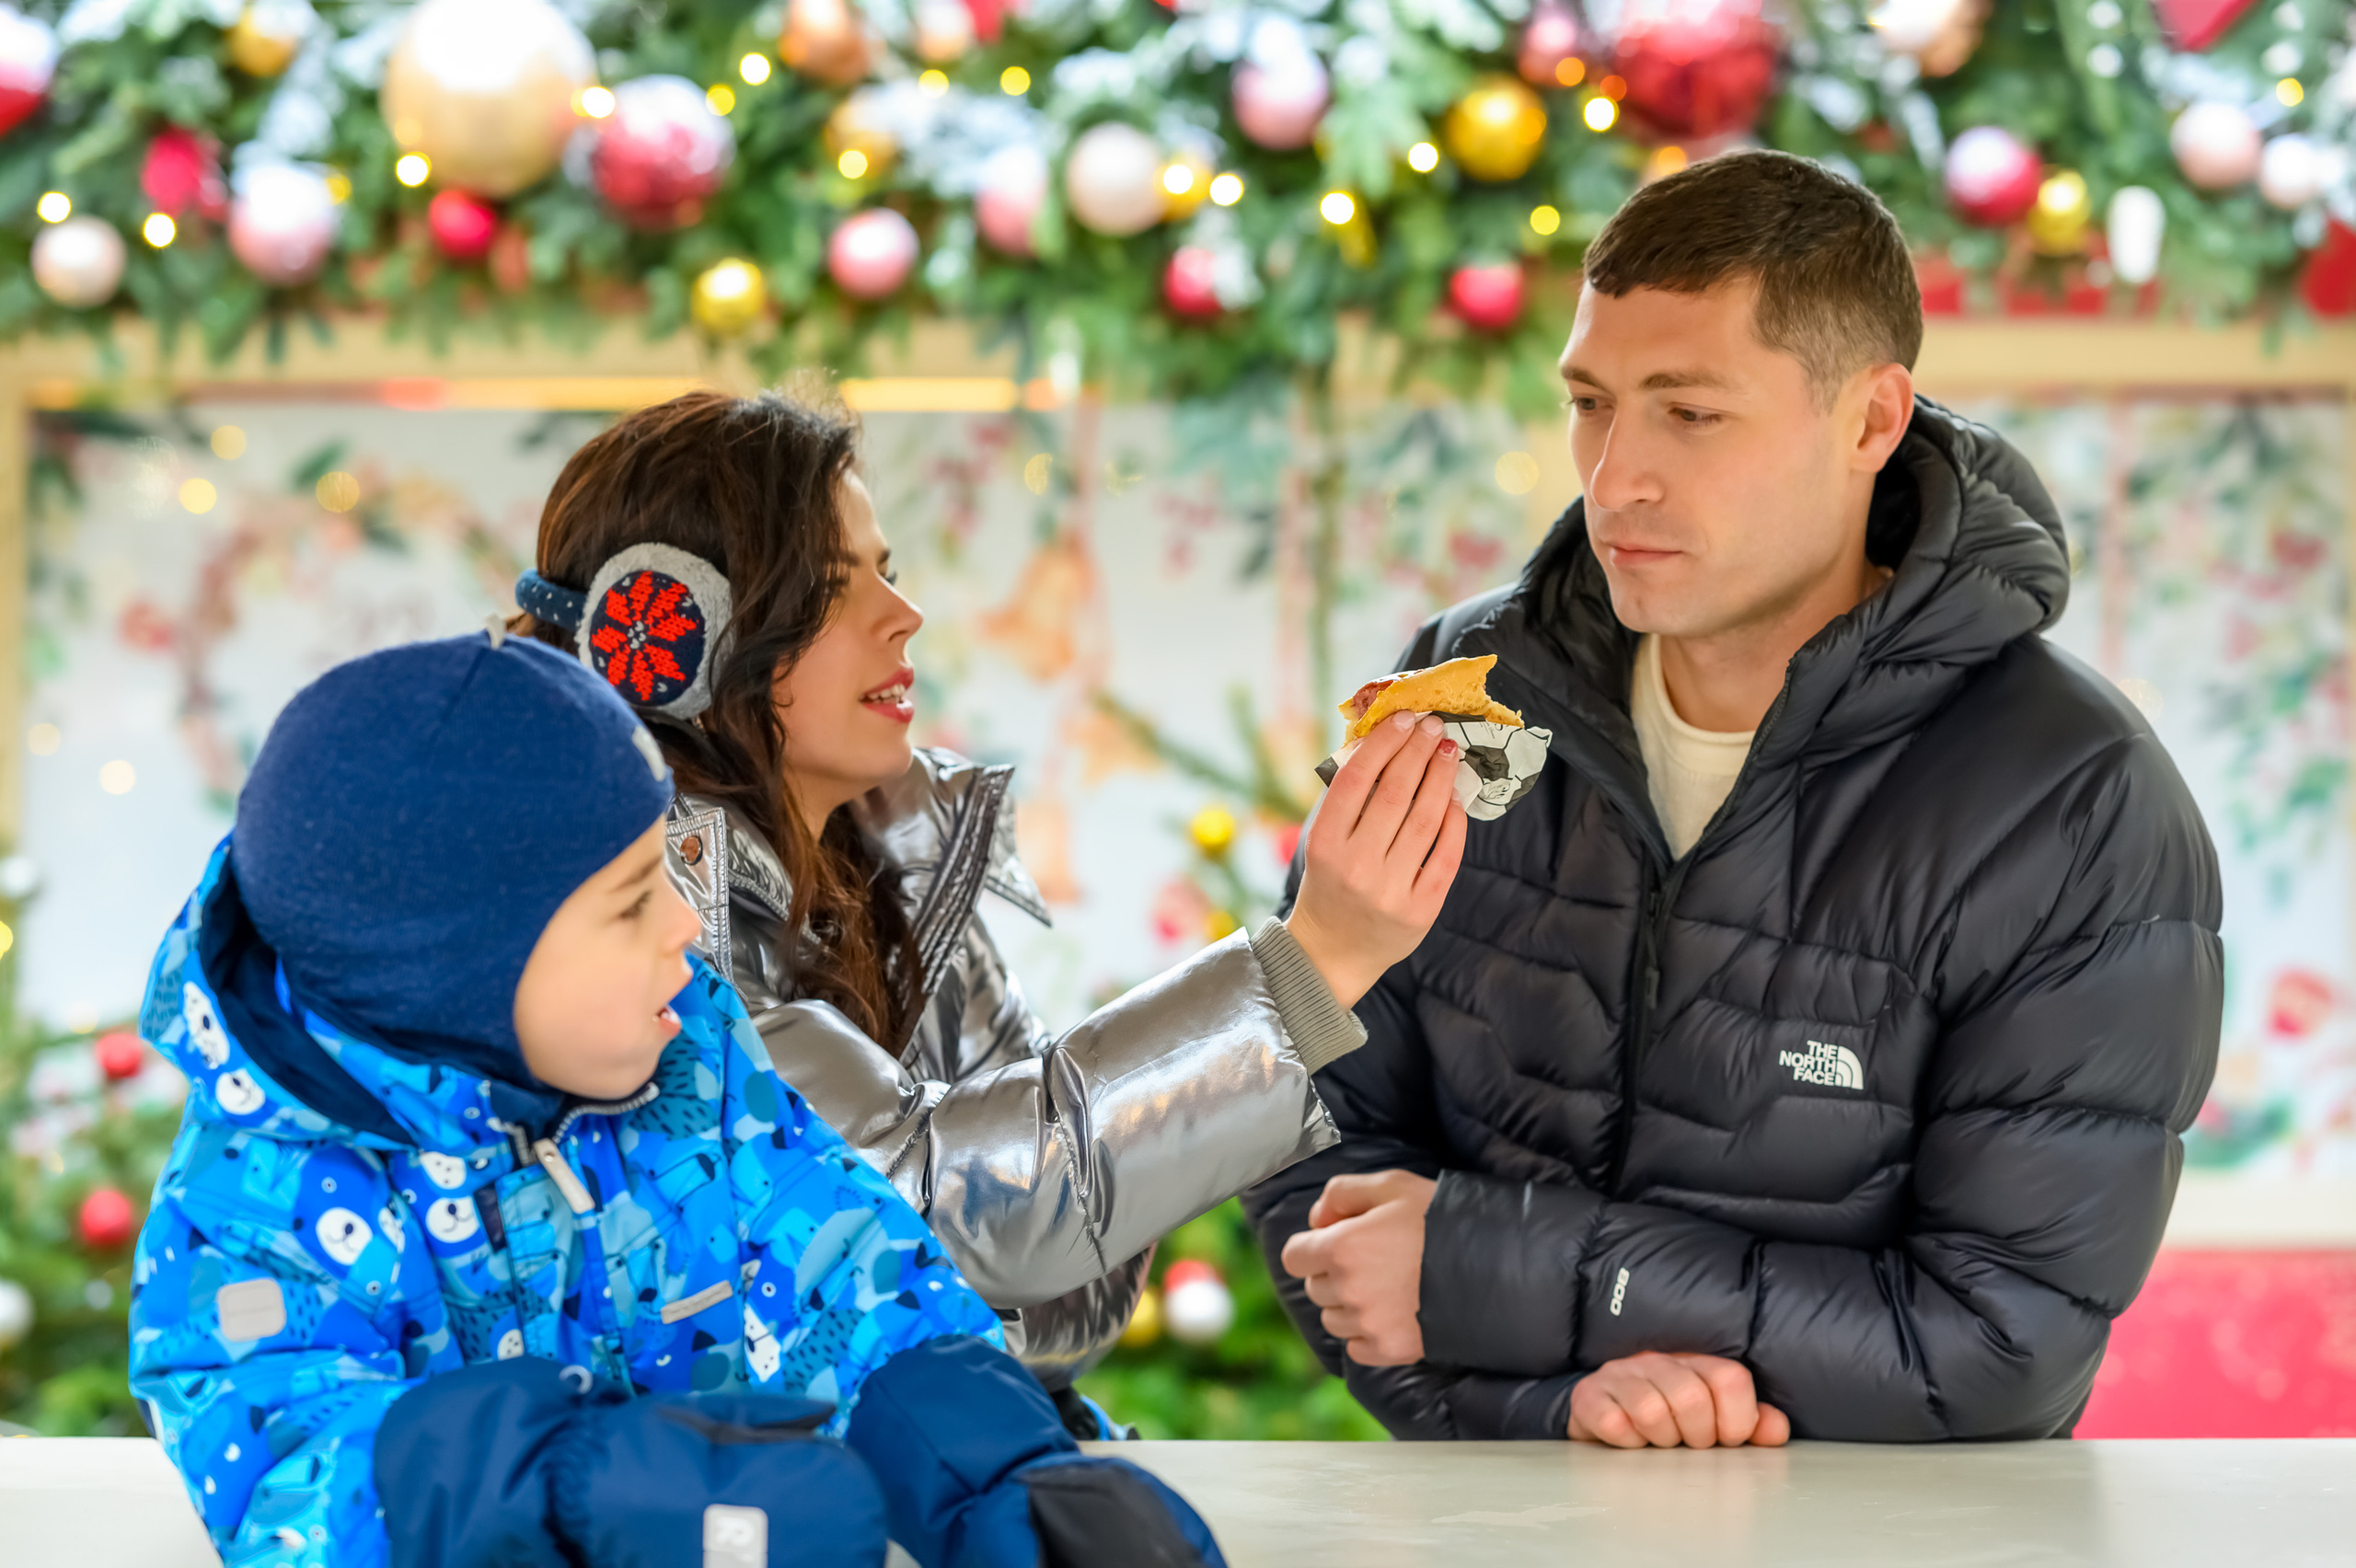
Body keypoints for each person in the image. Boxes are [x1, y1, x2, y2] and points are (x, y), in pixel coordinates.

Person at [1244, 150, 2223, 1447]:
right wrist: (1554, 1404)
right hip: (1504, 1520)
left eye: (1689, 413)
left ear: (1872, 421)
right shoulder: (1463, 692)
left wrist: (1506, 1272)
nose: (1615, 478)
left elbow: (2002, 1347)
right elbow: (1317, 1152)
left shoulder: (2074, 800)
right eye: (1592, 403)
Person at [128, 632, 1230, 1567]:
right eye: (626, 904)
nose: (683, 929)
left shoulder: (686, 1060)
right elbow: (285, 1464)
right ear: (457, 975)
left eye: (670, 869)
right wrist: (578, 1489)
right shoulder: (250, 1210)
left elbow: (842, 1267)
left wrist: (997, 1477)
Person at [511, 386, 1468, 1423]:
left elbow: (1077, 1280)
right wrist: (1309, 966)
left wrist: (957, 1296)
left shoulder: (899, 865)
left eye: (888, 571)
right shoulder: (642, 925)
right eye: (835, 589)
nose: (902, 615)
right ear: (675, 638)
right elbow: (931, 1214)